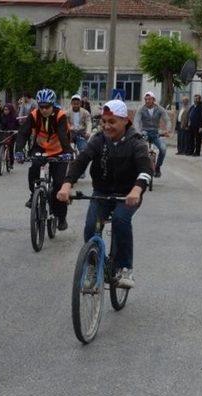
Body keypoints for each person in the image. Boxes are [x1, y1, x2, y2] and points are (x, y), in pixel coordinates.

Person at [57, 99, 153, 289]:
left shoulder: (136, 142)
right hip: (102, 191)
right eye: (104, 122)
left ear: (125, 120)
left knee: (120, 220)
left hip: (128, 194)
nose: (107, 126)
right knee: (91, 226)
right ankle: (92, 266)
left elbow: (145, 169)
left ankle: (125, 268)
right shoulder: (99, 140)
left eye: (112, 122)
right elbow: (81, 160)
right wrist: (66, 185)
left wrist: (137, 189)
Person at [15, 88, 73, 231]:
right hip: (40, 149)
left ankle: (61, 217)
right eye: (41, 106)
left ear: (53, 105)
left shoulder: (61, 116)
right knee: (33, 169)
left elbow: (63, 135)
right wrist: (18, 151)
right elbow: (23, 133)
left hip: (60, 151)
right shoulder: (34, 115)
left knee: (59, 184)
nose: (44, 110)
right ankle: (33, 194)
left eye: (47, 107)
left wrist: (67, 152)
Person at [133, 92, 171, 177]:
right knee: (140, 150)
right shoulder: (141, 109)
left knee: (163, 149)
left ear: (153, 100)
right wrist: (138, 132)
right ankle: (140, 168)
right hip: (144, 133)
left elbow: (167, 120)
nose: (147, 101)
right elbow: (136, 121)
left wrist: (167, 130)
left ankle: (157, 167)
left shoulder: (160, 109)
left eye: (149, 99)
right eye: (145, 99)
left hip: (156, 133)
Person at [67, 94, 92, 177]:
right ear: (71, 103)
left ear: (80, 103)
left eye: (77, 103)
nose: (76, 105)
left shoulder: (85, 112)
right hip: (71, 133)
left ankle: (82, 170)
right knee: (67, 152)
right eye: (74, 103)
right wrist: (68, 128)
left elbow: (89, 122)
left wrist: (88, 132)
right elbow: (64, 123)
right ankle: (69, 171)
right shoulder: (67, 112)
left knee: (83, 151)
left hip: (81, 133)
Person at [0, 103, 18, 167]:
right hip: (4, 133)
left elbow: (18, 126)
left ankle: (11, 163)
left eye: (7, 110)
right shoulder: (2, 116)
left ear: (10, 110)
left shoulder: (14, 117)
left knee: (11, 148)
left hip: (12, 134)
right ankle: (0, 157)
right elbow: (0, 124)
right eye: (4, 110)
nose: (5, 111)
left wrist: (16, 130)